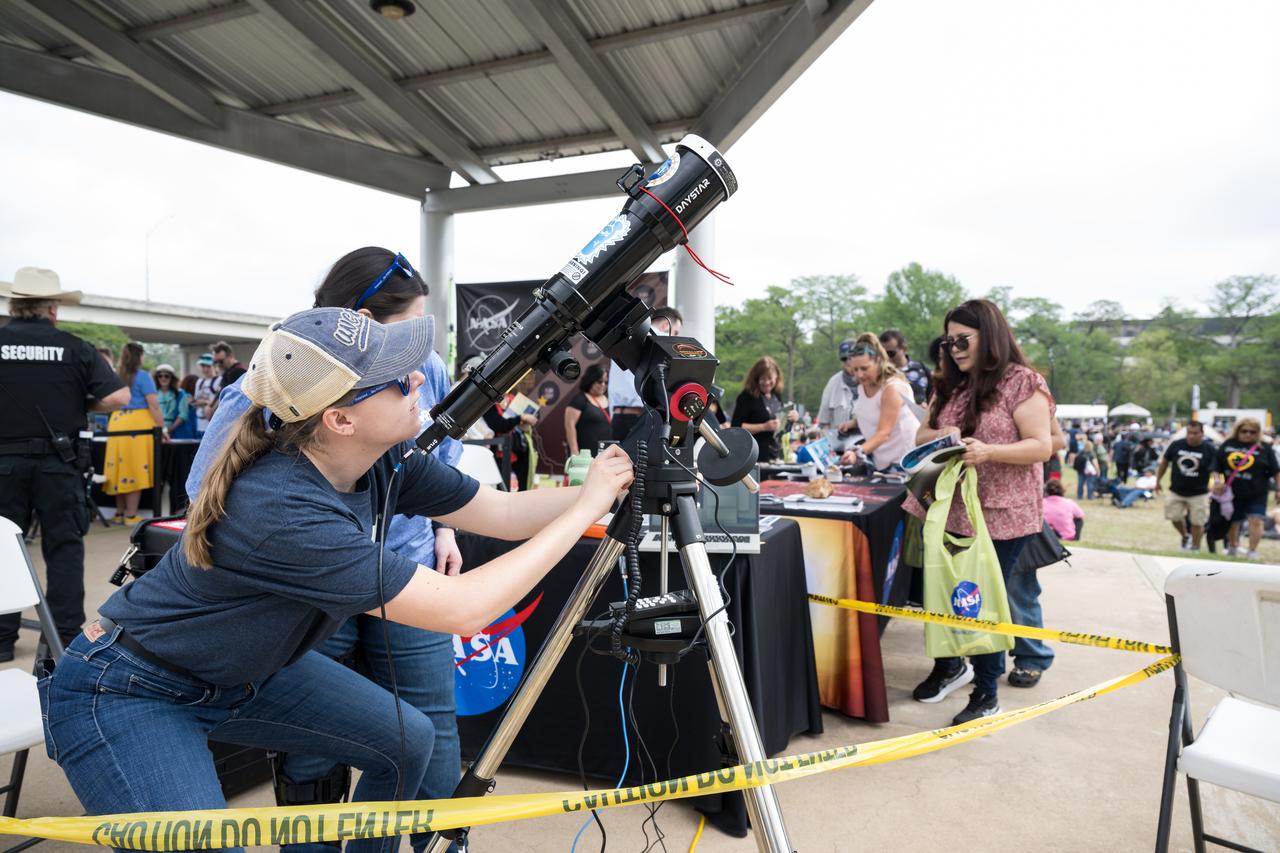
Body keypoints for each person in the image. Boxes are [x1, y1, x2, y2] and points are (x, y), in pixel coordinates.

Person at [40, 307, 635, 853]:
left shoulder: (381, 459)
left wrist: (599, 489)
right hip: (130, 689)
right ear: (340, 418)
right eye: (399, 379)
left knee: (406, 741)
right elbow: (464, 609)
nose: (419, 383)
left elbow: (500, 513)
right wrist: (586, 510)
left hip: (243, 671)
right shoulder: (283, 509)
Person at [186, 248, 470, 825]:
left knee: (432, 727)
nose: (415, 360)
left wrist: (444, 527)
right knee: (314, 740)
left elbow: (444, 463)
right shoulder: (274, 378)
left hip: (407, 567)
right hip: (311, 587)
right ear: (356, 323)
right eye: (403, 331)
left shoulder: (428, 366)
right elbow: (206, 486)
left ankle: (425, 839)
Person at [905, 299, 1056, 721]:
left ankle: (986, 694)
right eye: (948, 340)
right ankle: (950, 666)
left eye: (962, 339)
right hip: (947, 510)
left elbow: (1041, 446)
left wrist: (989, 452)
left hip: (1003, 516)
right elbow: (921, 434)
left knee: (980, 603)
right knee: (942, 595)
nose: (953, 348)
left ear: (988, 335)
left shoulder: (1023, 382)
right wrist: (942, 434)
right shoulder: (948, 383)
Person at [0, 267, 128, 662]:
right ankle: (61, 640)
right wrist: (80, 403)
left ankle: (2, 640)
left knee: (3, 550)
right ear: (53, 309)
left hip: (3, 465)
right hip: (59, 464)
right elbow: (119, 398)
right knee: (64, 549)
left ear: (15, 305)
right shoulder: (75, 348)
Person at [102, 341, 167, 525]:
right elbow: (153, 405)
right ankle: (131, 516)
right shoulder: (143, 377)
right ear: (139, 357)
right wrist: (162, 428)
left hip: (117, 422)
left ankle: (119, 513)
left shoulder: (116, 376)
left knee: (120, 468)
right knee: (133, 469)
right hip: (137, 426)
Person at [836, 334, 920, 471]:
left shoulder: (892, 388)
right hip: (882, 461)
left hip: (904, 462)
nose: (859, 375)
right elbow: (874, 412)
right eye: (855, 369)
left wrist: (857, 451)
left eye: (864, 368)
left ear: (879, 361)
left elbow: (884, 432)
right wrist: (853, 423)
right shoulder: (863, 386)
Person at [607, 306, 682, 441]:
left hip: (618, 416)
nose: (674, 336)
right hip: (643, 416)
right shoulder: (663, 339)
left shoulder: (624, 339)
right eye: (675, 332)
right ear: (666, 325)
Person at [1215, 417, 1280, 561]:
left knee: (1256, 520)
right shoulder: (1228, 445)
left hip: (1257, 492)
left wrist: (1278, 489)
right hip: (1232, 492)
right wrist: (1217, 482)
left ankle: (1252, 551)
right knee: (1233, 521)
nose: (1248, 434)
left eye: (1253, 432)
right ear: (1238, 430)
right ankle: (1233, 546)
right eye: (1244, 431)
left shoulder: (1264, 448)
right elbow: (1215, 467)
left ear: (1258, 433)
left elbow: (1276, 471)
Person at [1155, 421, 1216, 551]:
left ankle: (1195, 547)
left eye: (1195, 433)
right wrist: (1158, 481)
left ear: (1202, 434)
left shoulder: (1209, 449)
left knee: (1197, 522)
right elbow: (1165, 462)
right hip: (1177, 490)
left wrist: (1216, 483)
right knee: (1173, 516)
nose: (1191, 436)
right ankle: (1185, 536)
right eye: (1189, 433)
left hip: (1199, 492)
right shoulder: (1177, 444)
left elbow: (1215, 469)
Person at [732, 356, 796, 463]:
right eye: (762, 379)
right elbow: (736, 426)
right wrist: (763, 427)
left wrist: (791, 419)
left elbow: (782, 429)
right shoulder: (746, 397)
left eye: (770, 379)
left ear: (777, 377)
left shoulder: (777, 395)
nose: (766, 382)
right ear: (756, 378)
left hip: (775, 454)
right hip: (753, 456)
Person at [816, 339, 860, 453]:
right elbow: (823, 422)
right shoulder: (833, 383)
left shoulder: (870, 381)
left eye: (851, 357)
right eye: (844, 359)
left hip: (867, 448)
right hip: (840, 450)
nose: (848, 361)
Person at [564, 362, 611, 457]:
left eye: (606, 382)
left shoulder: (610, 399)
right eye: (599, 381)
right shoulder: (580, 399)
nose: (603, 385)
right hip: (586, 456)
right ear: (591, 380)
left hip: (606, 454)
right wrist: (574, 451)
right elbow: (569, 426)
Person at [879, 328, 931, 408]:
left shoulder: (921, 369)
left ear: (904, 348)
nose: (887, 358)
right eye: (882, 354)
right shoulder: (880, 374)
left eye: (890, 353)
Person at [152, 364, 193, 440]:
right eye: (160, 376)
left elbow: (183, 415)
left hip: (175, 433)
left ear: (172, 378)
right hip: (155, 431)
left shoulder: (180, 394)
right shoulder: (152, 394)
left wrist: (169, 429)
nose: (163, 378)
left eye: (166, 376)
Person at [192, 353, 218, 435]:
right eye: (203, 366)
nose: (205, 369)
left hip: (213, 426)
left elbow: (219, 402)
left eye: (208, 366)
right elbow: (194, 402)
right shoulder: (199, 382)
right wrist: (207, 402)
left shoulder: (219, 380)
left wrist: (203, 402)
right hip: (200, 425)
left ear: (214, 366)